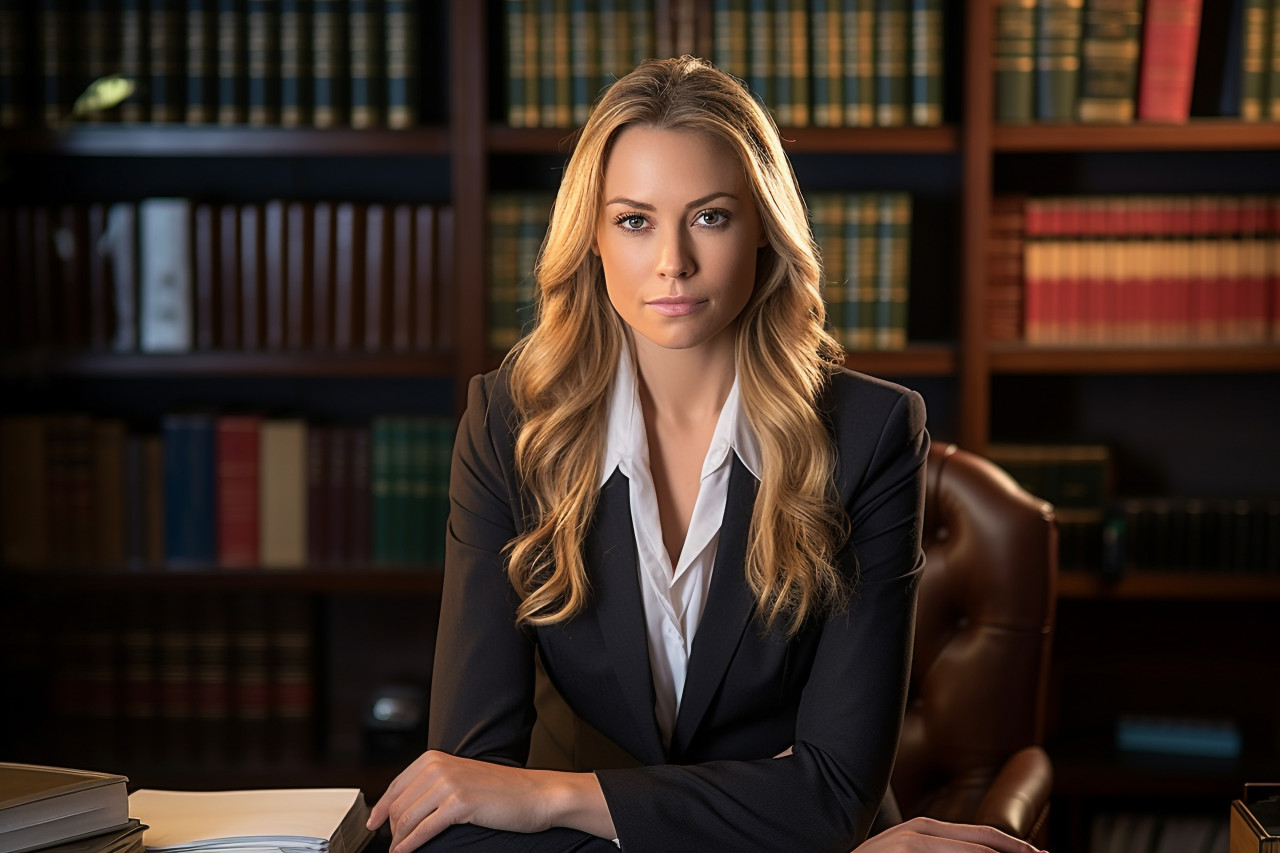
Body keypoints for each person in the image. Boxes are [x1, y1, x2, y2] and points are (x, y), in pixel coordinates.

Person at [367, 57, 1047, 853]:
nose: (674, 262)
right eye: (635, 220)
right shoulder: (508, 426)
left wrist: (554, 795)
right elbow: (465, 796)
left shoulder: (870, 434)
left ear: (763, 227)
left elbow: (832, 795)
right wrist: (765, 811)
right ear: (591, 237)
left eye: (711, 217)